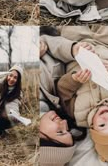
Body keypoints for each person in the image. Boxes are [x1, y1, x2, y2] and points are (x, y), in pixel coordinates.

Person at [39, 31, 91, 165]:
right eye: (67, 130)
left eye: (60, 131)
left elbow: (44, 39)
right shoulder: (59, 107)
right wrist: (72, 49)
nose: (64, 123)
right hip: (75, 39)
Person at [0, 65, 23, 137]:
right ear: (7, 75)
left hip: (1, 116)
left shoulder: (17, 92)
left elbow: (14, 105)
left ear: (18, 80)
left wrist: (15, 115)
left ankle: (0, 129)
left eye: (15, 78)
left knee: (9, 118)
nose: (11, 79)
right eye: (10, 75)